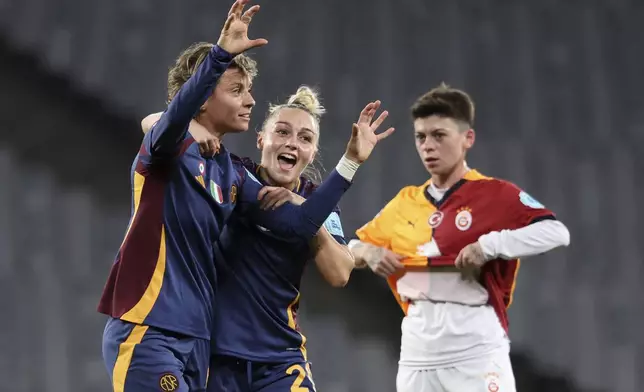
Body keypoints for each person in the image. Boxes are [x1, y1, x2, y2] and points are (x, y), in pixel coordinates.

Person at [97, 1, 393, 391]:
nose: (250, 101)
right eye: (238, 91)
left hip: (212, 345)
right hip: (152, 326)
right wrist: (219, 57)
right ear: (262, 140)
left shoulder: (233, 177)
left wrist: (351, 162)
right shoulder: (175, 149)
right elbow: (164, 121)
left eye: (305, 138)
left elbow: (311, 236)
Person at [142, 87, 380, 392]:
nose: (292, 143)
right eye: (282, 132)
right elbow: (151, 123)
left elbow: (339, 273)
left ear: (313, 153)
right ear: (261, 139)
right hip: (217, 357)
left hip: (281, 360)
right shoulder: (235, 174)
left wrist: (304, 212)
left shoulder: (318, 201)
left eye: (305, 138)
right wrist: (195, 130)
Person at [349, 83, 570, 392]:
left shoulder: (495, 194)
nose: (428, 146)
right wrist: (369, 253)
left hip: (476, 355)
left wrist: (490, 246)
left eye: (439, 135)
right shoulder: (404, 202)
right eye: (421, 137)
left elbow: (555, 232)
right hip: (418, 360)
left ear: (468, 139)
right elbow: (353, 247)